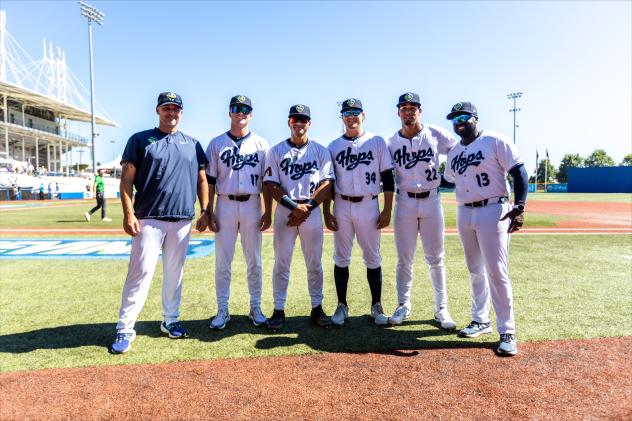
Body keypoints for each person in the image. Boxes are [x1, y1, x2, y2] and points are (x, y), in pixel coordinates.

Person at [110, 92, 209, 354]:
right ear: (157, 110)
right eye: (166, 108)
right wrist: (128, 213)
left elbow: (202, 180)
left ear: (182, 113)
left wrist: (206, 209)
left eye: (176, 109)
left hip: (182, 218)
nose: (171, 113)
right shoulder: (140, 139)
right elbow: (126, 181)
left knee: (175, 273)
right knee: (140, 273)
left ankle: (171, 319)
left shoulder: (193, 144)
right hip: (148, 217)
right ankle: (125, 327)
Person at [444, 101, 528, 356]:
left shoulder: (495, 140)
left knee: (496, 271)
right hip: (464, 210)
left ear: (475, 118)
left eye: (463, 116)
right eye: (455, 118)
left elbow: (519, 172)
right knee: (475, 270)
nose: (459, 121)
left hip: (493, 209)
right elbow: (447, 179)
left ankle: (507, 330)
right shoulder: (454, 152)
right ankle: (480, 319)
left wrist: (521, 206)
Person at [386, 92, 457, 330]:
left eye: (413, 107)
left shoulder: (435, 133)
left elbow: (458, 153)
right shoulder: (391, 142)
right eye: (404, 108)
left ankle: (441, 308)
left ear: (420, 110)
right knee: (404, 259)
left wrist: (448, 177)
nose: (409, 112)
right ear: (398, 112)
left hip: (431, 200)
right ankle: (403, 305)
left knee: (436, 259)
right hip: (404, 201)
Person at [263, 104, 334, 331]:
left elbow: (327, 183)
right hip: (286, 210)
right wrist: (295, 207)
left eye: (303, 119)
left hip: (310, 211)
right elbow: (271, 184)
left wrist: (308, 207)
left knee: (314, 264)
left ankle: (317, 307)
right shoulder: (275, 151)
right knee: (281, 264)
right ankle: (278, 310)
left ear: (309, 123)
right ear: (289, 122)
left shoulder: (321, 151)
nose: (299, 123)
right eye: (295, 119)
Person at [323, 98, 394, 326]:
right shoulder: (333, 146)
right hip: (342, 204)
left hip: (368, 203)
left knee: (372, 257)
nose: (351, 116)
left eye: (355, 112)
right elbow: (328, 183)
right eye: (347, 113)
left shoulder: (377, 141)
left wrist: (387, 209)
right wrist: (328, 211)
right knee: (341, 257)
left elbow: (388, 177)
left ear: (363, 115)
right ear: (342, 117)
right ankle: (342, 305)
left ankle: (376, 305)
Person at [204, 95, 271, 330]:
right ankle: (222, 309)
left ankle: (256, 307)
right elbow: (210, 181)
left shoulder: (262, 144)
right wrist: (208, 210)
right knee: (223, 262)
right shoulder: (216, 143)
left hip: (252, 202)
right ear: (229, 112)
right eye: (236, 108)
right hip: (225, 203)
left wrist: (268, 211)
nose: (240, 112)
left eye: (245, 109)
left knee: (255, 261)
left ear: (251, 114)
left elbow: (268, 181)